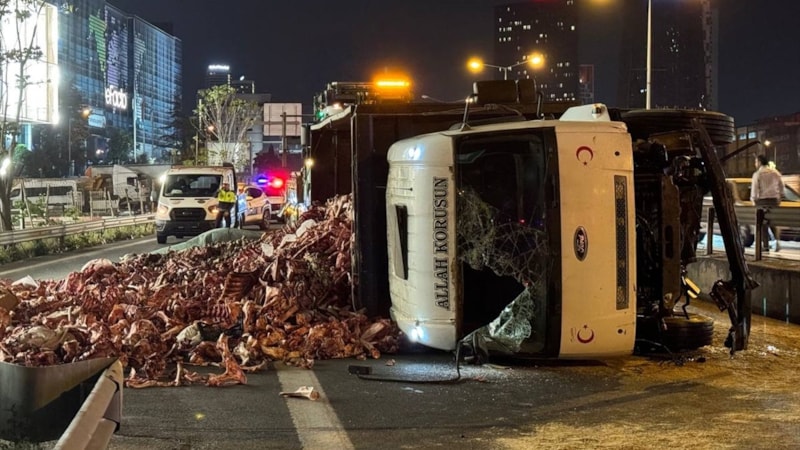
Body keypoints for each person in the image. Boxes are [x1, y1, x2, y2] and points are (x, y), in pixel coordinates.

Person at [750, 154, 784, 251]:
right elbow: (782, 186)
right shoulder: (775, 173)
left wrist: (753, 200)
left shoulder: (757, 174)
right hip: (774, 201)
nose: (755, 164)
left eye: (756, 161)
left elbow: (755, 190)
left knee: (762, 222)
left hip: (761, 201)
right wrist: (779, 197)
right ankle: (777, 242)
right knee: (774, 222)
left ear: (760, 162)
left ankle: (765, 245)